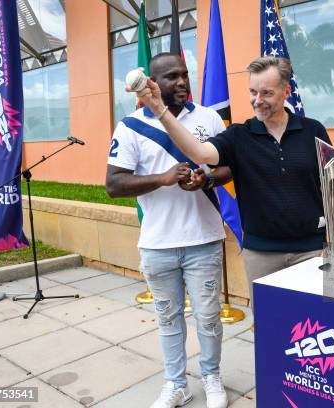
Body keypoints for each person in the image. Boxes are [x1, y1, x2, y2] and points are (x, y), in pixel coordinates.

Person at [131, 56, 332, 306]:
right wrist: (159, 109)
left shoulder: (314, 131)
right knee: (270, 331)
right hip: (262, 255)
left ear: (286, 91)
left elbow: (333, 187)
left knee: (314, 327)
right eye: (252, 92)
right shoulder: (240, 135)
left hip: (311, 251)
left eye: (267, 93)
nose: (257, 101)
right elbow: (200, 153)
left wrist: (332, 240)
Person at [107, 52, 230, 408]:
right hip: (158, 244)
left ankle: (211, 377)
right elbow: (114, 184)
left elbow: (229, 168)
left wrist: (205, 178)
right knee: (168, 319)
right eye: (172, 77)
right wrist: (162, 179)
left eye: (185, 75)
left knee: (208, 317)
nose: (181, 82)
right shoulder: (130, 125)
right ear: (153, 85)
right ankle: (176, 383)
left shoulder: (208, 117)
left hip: (203, 239)